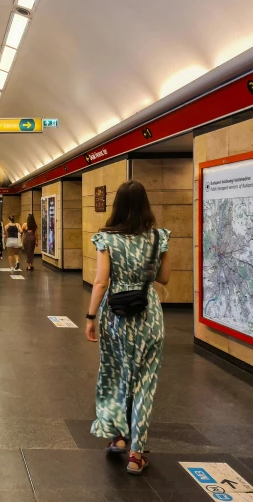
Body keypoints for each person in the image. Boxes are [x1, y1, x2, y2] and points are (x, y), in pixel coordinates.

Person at [85, 180, 171, 476]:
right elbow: (165, 278)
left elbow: (101, 281)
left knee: (115, 372)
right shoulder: (159, 238)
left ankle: (118, 436)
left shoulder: (106, 238)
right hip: (148, 314)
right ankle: (136, 453)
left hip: (116, 315)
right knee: (145, 381)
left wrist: (89, 316)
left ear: (117, 206)